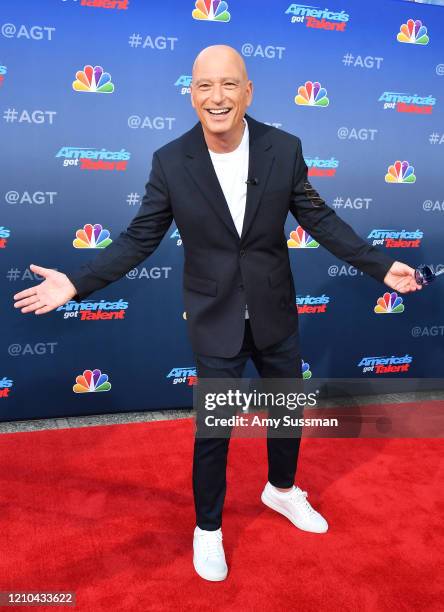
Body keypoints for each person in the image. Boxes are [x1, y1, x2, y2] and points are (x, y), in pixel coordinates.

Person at [13, 45, 422, 582]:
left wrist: (378, 266)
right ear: (191, 94)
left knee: (285, 414)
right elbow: (139, 239)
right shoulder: (170, 160)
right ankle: (208, 528)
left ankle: (281, 491)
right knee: (215, 429)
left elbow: (321, 220)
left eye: (229, 84)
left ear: (248, 91)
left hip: (275, 310)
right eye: (205, 85)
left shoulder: (285, 147)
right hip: (214, 316)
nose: (217, 96)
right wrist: (80, 282)